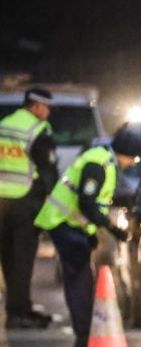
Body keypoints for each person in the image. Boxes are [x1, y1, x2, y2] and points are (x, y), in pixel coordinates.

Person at [33, 127, 141, 347]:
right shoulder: (98, 165)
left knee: (82, 279)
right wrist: (112, 229)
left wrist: (91, 232)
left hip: (71, 226)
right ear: (124, 153)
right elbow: (87, 204)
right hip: (63, 224)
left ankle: (85, 333)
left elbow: (90, 206)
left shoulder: (103, 162)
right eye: (133, 158)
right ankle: (84, 337)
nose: (132, 164)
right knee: (79, 280)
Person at [0, 87, 58, 329]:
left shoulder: (4, 125)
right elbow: (48, 171)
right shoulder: (39, 130)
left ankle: (19, 307)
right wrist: (53, 201)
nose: (48, 113)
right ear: (36, 106)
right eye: (47, 108)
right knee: (23, 260)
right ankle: (18, 313)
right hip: (24, 201)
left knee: (7, 257)